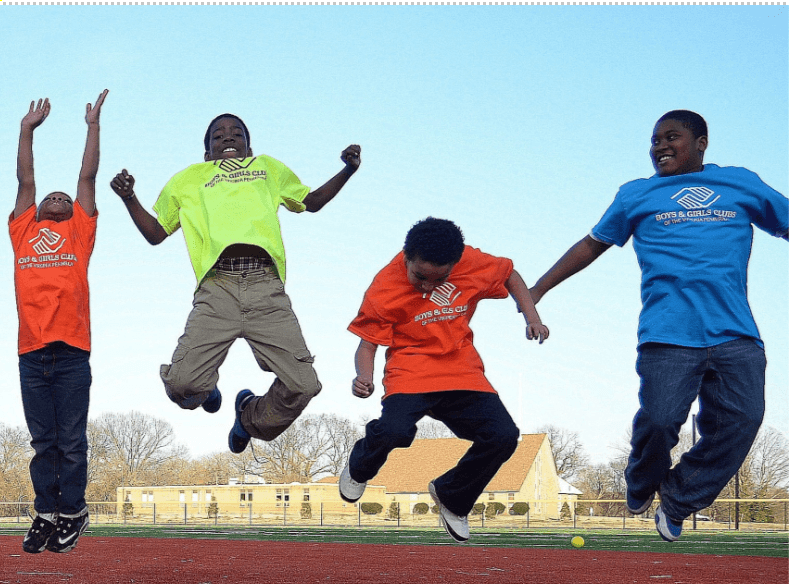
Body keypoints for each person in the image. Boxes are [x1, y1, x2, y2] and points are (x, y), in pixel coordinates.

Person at [528, 110, 788, 542]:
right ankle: (642, 477)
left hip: (736, 334)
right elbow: (592, 244)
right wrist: (538, 288)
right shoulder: (637, 195)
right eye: (654, 140)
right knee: (661, 419)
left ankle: (679, 497)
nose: (660, 147)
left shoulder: (740, 183)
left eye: (672, 138)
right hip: (668, 335)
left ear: (702, 142)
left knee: (743, 420)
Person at [110, 113, 360, 454]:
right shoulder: (188, 179)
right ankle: (205, 388)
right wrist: (129, 198)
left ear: (248, 144)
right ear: (207, 152)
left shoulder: (267, 168)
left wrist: (347, 170)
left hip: (266, 289)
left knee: (304, 385)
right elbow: (156, 233)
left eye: (236, 133)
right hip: (218, 289)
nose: (227, 137)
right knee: (183, 383)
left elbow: (311, 202)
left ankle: (249, 417)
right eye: (217, 135)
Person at [339, 217, 548, 542]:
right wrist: (362, 376)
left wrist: (532, 316)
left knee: (503, 436)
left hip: (460, 368)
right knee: (395, 431)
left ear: (456, 262)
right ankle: (360, 467)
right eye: (420, 277)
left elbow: (509, 274)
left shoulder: (472, 261)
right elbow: (367, 345)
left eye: (440, 280)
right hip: (410, 369)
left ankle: (453, 496)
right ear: (406, 257)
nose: (427, 287)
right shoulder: (383, 289)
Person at [11, 90, 107, 554]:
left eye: (64, 197)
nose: (56, 196)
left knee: (70, 440)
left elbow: (87, 176)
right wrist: (26, 130)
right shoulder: (24, 230)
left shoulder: (79, 232)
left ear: (75, 212)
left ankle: (73, 511)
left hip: (71, 350)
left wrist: (92, 126)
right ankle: (46, 513)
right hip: (31, 351)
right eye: (50, 195)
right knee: (42, 441)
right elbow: (25, 179)